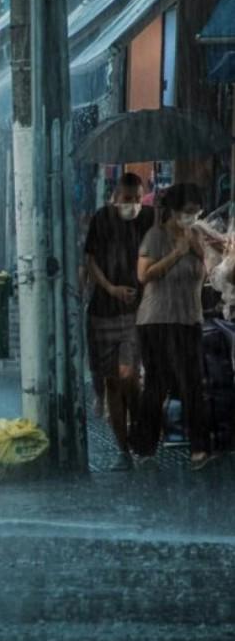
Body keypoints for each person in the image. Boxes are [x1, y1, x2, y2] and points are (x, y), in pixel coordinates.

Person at [135, 183, 214, 470]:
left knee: (193, 383)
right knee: (158, 384)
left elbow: (203, 275)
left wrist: (199, 251)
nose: (192, 217)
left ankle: (200, 450)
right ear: (174, 211)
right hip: (158, 319)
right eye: (188, 212)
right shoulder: (155, 236)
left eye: (197, 212)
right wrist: (176, 254)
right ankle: (145, 447)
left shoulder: (195, 235)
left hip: (190, 318)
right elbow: (144, 275)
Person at [83, 172, 155, 470]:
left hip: (137, 310)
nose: (133, 205)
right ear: (115, 197)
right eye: (128, 200)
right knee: (114, 381)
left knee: (130, 376)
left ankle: (141, 438)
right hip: (104, 309)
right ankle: (123, 449)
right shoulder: (102, 219)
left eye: (138, 199)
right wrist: (110, 288)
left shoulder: (151, 218)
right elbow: (90, 260)